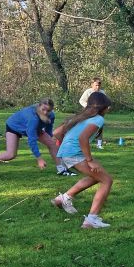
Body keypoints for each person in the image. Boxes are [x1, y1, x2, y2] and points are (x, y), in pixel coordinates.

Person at [51, 92, 114, 229]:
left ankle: (64, 198)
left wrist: (66, 145)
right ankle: (92, 219)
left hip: (66, 153)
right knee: (107, 180)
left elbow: (56, 133)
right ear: (102, 107)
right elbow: (83, 138)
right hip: (74, 154)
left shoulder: (80, 117)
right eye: (108, 107)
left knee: (97, 176)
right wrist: (90, 160)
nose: (109, 109)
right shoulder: (98, 119)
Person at [0, 98, 73, 176]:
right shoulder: (33, 118)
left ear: (51, 110)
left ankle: (62, 170)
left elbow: (48, 130)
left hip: (34, 128)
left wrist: (51, 139)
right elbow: (32, 140)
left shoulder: (51, 116)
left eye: (48, 110)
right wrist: (39, 158)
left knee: (52, 144)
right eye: (43, 109)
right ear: (39, 106)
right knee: (10, 155)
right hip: (14, 126)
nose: (45, 112)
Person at [79, 78, 106, 149]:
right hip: (88, 112)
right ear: (92, 85)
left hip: (99, 112)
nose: (97, 87)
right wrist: (88, 107)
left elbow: (105, 102)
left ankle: (99, 144)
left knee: (100, 127)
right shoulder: (88, 92)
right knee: (87, 126)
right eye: (96, 85)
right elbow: (81, 101)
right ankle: (85, 142)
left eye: (99, 85)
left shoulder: (102, 92)